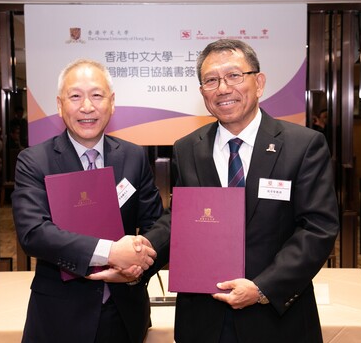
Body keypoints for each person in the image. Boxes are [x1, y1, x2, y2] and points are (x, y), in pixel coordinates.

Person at [144, 39, 339, 343]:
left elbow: (318, 228)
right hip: (202, 320)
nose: (222, 88)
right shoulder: (187, 149)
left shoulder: (303, 146)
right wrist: (140, 252)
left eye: (234, 76)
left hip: (276, 320)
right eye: (211, 80)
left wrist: (263, 288)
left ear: (259, 83)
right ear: (202, 92)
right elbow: (180, 219)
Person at [12, 59, 164, 343]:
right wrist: (111, 253)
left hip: (124, 313)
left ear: (112, 102)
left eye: (97, 95)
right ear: (59, 105)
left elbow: (156, 224)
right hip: (60, 315)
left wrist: (135, 269)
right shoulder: (34, 161)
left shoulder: (133, 156)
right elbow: (34, 233)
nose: (87, 107)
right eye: (75, 96)